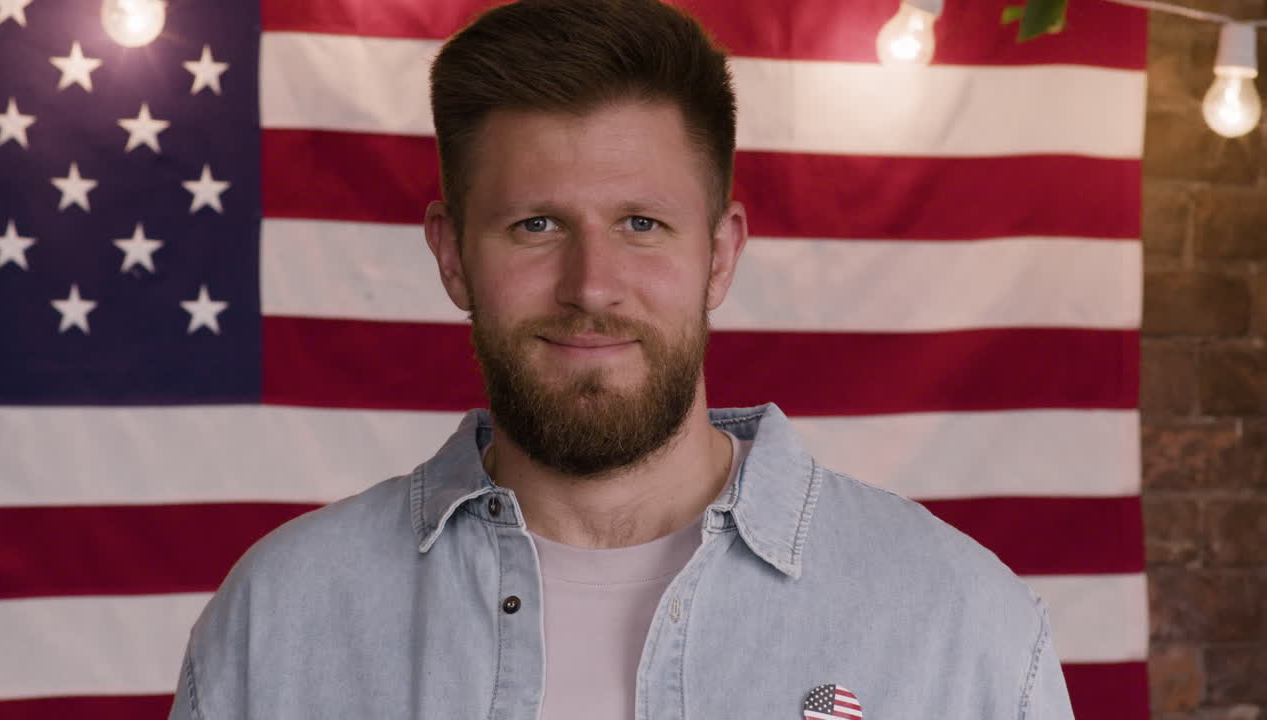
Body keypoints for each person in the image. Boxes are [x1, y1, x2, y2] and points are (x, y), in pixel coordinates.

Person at [169, 0, 1075, 718]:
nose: (592, 286)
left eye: (641, 224)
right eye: (536, 225)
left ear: (720, 254)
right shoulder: (282, 619)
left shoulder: (959, 622)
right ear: (451, 256)